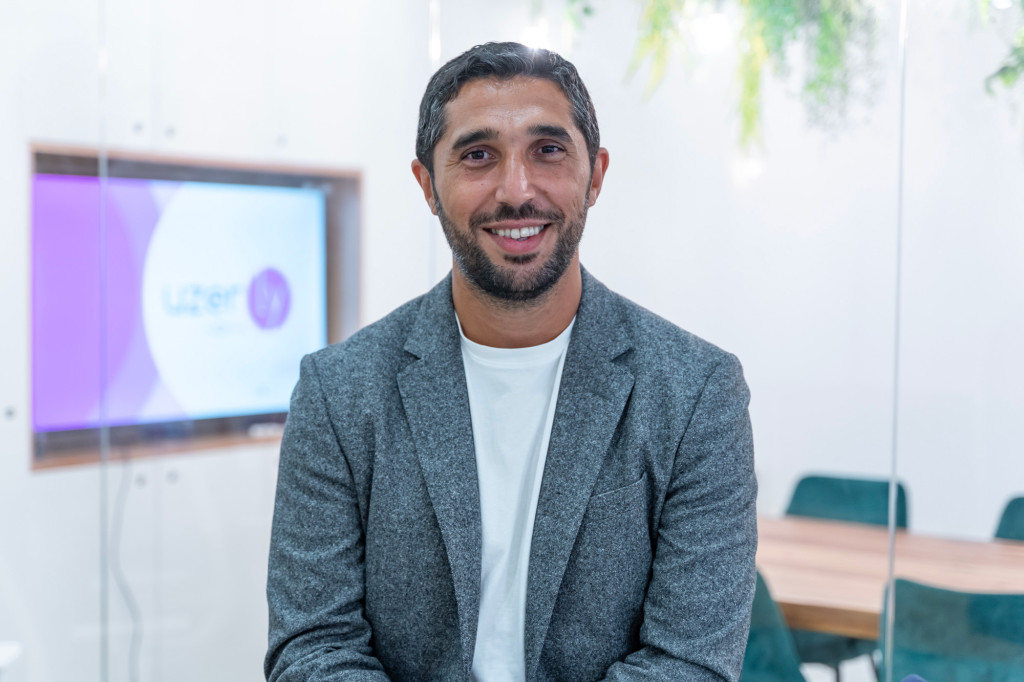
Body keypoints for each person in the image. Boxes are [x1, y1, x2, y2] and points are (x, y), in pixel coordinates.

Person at [265, 41, 757, 682]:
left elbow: (688, 663)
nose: (516, 190)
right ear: (428, 185)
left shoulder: (697, 393)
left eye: (548, 150)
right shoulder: (338, 392)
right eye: (478, 155)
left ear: (596, 175)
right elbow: (313, 647)